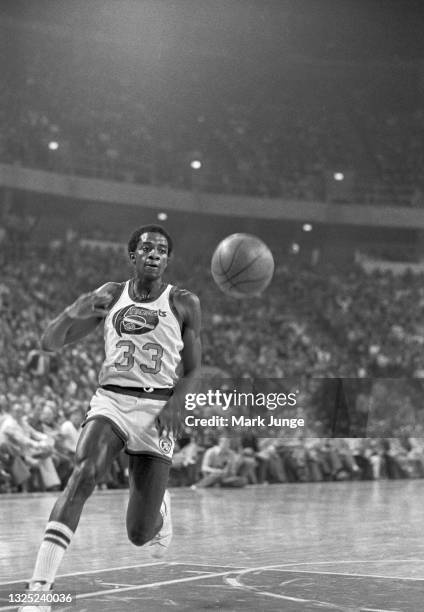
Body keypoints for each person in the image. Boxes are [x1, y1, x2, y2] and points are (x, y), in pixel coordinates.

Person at [19, 224, 202, 612]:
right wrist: (73, 310)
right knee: (83, 475)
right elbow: (49, 343)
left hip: (158, 410)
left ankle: (159, 510)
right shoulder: (111, 294)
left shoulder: (185, 302)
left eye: (162, 249)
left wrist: (176, 403)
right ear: (132, 255)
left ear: (168, 260)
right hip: (113, 401)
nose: (155, 253)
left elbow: (195, 370)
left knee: (139, 534)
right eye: (147, 247)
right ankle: (38, 592)